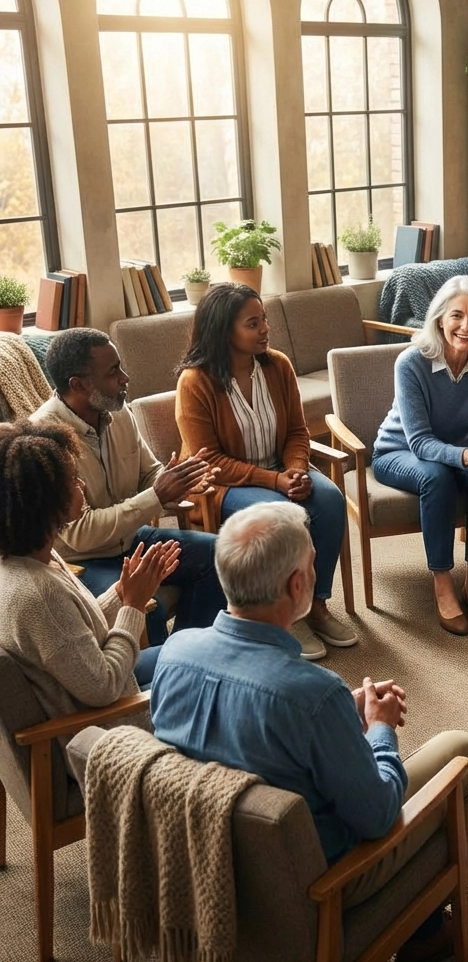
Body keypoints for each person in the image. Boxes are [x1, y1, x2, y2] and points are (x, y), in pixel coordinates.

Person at [150, 501, 468, 961]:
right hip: (319, 886)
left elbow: (246, 723)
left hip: (212, 865)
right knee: (462, 751)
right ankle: (430, 935)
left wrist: (340, 711)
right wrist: (380, 729)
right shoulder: (314, 693)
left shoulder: (174, 652)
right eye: (313, 562)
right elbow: (377, 814)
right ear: (297, 584)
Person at [174, 282, 352, 659]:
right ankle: (286, 614)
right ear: (224, 331)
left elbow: (297, 432)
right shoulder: (195, 382)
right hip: (223, 484)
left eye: (264, 319)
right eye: (252, 324)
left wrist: (296, 471)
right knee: (280, 516)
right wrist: (275, 481)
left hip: (281, 470)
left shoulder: (278, 365)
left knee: (330, 500)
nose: (265, 329)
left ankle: (315, 604)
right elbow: (209, 461)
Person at [32, 328, 226, 646]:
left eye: (120, 366)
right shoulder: (46, 439)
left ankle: (191, 653)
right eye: (113, 372)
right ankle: (162, 670)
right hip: (83, 561)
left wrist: (176, 482)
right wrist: (157, 495)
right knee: (147, 609)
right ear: (78, 385)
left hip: (131, 541)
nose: (125, 378)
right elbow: (80, 534)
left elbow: (149, 474)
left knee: (220, 554)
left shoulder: (118, 412)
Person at [0, 420, 178, 724]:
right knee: (209, 678)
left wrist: (121, 592)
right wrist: (133, 606)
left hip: (109, 694)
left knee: (192, 651)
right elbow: (103, 687)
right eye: (73, 478)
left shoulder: (34, 556)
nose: (81, 485)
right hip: (112, 731)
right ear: (44, 498)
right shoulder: (39, 594)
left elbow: (73, 631)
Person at [373, 275, 468, 635]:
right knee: (437, 477)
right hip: (398, 452)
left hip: (456, 451)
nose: (466, 326)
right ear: (440, 319)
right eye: (457, 315)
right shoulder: (410, 362)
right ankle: (443, 583)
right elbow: (419, 442)